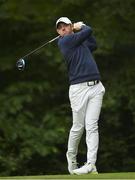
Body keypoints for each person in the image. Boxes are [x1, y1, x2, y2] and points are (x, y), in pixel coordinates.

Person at [56, 17, 105, 175]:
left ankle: (91, 164)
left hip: (96, 87)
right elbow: (88, 30)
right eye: (60, 28)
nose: (63, 29)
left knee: (92, 126)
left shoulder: (79, 43)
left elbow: (93, 44)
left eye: (65, 26)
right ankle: (71, 158)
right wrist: (81, 25)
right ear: (58, 32)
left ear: (70, 27)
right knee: (78, 127)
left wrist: (81, 30)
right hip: (79, 90)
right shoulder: (64, 42)